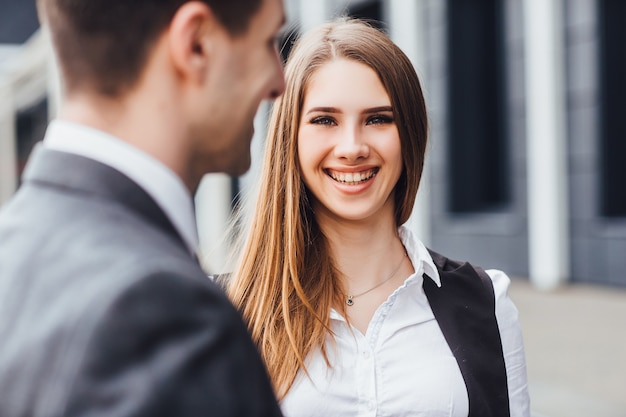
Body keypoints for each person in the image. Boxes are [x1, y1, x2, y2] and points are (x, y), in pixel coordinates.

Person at [224, 19, 531, 417]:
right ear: (290, 140)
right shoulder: (231, 313)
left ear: (409, 135)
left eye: (378, 119)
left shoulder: (488, 302)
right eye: (324, 120)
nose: (352, 147)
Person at [0, 0, 286, 416]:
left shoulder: (13, 248)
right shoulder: (165, 313)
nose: (279, 81)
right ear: (196, 44)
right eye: (269, 41)